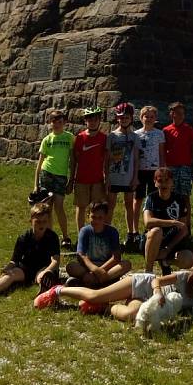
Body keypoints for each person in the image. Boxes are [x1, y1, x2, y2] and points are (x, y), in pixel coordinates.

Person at [34, 259, 193, 322]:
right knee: (96, 295)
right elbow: (157, 279)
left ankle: (102, 309)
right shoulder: (183, 276)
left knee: (132, 314)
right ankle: (57, 291)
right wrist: (158, 293)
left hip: (146, 302)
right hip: (143, 284)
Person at [0, 202, 60, 305]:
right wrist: (7, 269)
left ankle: (44, 288)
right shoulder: (24, 237)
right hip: (26, 268)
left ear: (48, 222)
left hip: (43, 268)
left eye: (44, 221)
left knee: (42, 276)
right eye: (38, 221)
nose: (41, 224)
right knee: (12, 274)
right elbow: (14, 260)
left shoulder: (52, 237)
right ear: (31, 221)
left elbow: (55, 260)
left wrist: (47, 270)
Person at [64, 201, 131, 287]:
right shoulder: (85, 231)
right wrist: (94, 269)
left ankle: (91, 280)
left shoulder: (112, 231)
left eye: (100, 217)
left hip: (107, 266)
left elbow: (116, 257)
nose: (96, 220)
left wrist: (100, 270)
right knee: (71, 266)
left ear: (105, 217)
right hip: (88, 266)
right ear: (88, 216)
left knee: (126, 264)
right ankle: (105, 280)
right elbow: (81, 255)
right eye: (93, 217)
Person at [33, 109, 74, 249]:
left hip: (61, 176)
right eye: (54, 122)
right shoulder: (47, 139)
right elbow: (39, 163)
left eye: (59, 122)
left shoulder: (69, 138)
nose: (56, 125)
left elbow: (73, 159)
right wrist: (35, 185)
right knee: (47, 208)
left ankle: (66, 236)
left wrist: (72, 180)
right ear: (50, 123)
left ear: (64, 123)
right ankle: (48, 236)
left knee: (59, 206)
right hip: (46, 174)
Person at [142, 167, 193, 273]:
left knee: (189, 259)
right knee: (157, 231)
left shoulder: (179, 199)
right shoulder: (151, 198)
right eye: (160, 181)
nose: (163, 184)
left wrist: (168, 249)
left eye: (167, 180)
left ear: (172, 182)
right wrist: (172, 222)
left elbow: (184, 229)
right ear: (155, 183)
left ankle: (166, 262)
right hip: (153, 240)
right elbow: (147, 222)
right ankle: (148, 271)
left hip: (172, 242)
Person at [70, 107, 108, 232]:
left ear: (99, 121)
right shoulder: (80, 138)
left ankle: (96, 233)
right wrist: (71, 179)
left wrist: (107, 180)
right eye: (89, 119)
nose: (92, 122)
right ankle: (81, 234)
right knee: (81, 208)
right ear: (86, 121)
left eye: (95, 119)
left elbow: (106, 160)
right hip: (81, 179)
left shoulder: (103, 138)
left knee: (97, 209)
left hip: (97, 180)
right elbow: (74, 160)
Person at [132, 105, 165, 248]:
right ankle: (134, 229)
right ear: (141, 118)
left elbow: (162, 153)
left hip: (154, 171)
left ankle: (152, 226)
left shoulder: (159, 134)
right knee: (137, 199)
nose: (149, 119)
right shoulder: (136, 134)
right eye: (146, 117)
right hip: (140, 170)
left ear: (155, 119)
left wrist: (163, 170)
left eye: (152, 117)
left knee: (153, 200)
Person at [106, 102, 139, 242]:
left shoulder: (135, 136)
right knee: (111, 204)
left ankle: (130, 233)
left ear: (131, 118)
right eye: (121, 117)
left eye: (126, 117)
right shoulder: (112, 136)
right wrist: (106, 176)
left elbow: (137, 158)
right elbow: (106, 158)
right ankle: (106, 231)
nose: (123, 120)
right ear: (117, 119)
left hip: (128, 175)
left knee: (128, 203)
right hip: (114, 175)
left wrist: (135, 177)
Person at [162, 102, 193, 232]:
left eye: (182, 113)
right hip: (171, 167)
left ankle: (187, 227)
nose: (180, 116)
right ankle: (172, 226)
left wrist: (188, 162)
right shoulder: (166, 130)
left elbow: (192, 148)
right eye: (177, 113)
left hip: (184, 167)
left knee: (185, 196)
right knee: (171, 196)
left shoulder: (189, 130)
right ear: (171, 113)